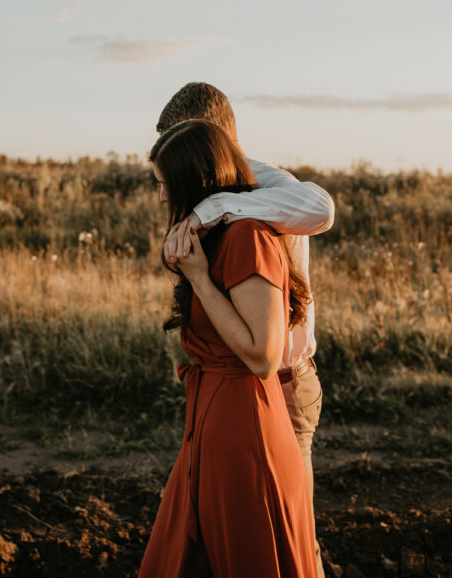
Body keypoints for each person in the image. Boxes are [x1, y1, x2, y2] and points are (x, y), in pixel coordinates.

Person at [155, 82, 334, 575]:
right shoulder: (211, 206)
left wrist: (214, 209)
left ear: (210, 142)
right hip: (229, 400)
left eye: (183, 145)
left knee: (288, 538)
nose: (172, 172)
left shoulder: (266, 194)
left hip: (280, 387)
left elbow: (322, 209)